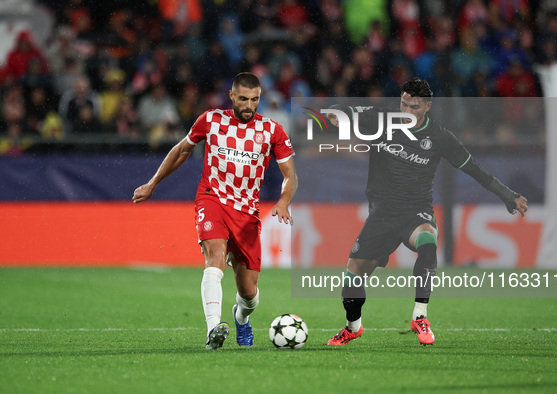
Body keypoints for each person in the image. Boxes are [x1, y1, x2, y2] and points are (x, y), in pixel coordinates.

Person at [326, 77, 528, 346]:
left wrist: (508, 195)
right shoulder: (382, 121)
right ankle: (353, 327)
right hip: (382, 216)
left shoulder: (441, 137)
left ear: (428, 107)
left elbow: (474, 168)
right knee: (351, 284)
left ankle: (419, 315)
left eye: (415, 106)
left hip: (416, 212)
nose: (407, 111)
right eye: (404, 104)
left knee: (428, 240)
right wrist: (336, 113)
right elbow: (350, 110)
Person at [132, 72, 297, 350]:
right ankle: (213, 329)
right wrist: (152, 183)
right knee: (215, 258)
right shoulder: (211, 120)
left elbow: (290, 174)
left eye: (254, 100)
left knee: (248, 292)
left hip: (247, 213)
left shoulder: (272, 130)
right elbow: (182, 150)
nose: (248, 106)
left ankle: (240, 318)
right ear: (231, 96)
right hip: (213, 200)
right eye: (243, 99)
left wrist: (283, 201)